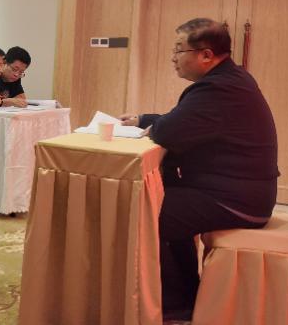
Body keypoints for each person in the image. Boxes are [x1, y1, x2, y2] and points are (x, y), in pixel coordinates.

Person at [119, 18, 278, 320]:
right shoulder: (228, 80)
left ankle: (176, 305)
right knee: (161, 203)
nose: (173, 58)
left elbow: (169, 131)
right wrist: (143, 119)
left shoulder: (218, 89)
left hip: (237, 200)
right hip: (239, 192)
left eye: (179, 50)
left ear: (206, 55)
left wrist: (154, 124)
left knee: (146, 210)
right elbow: (182, 120)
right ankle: (185, 297)